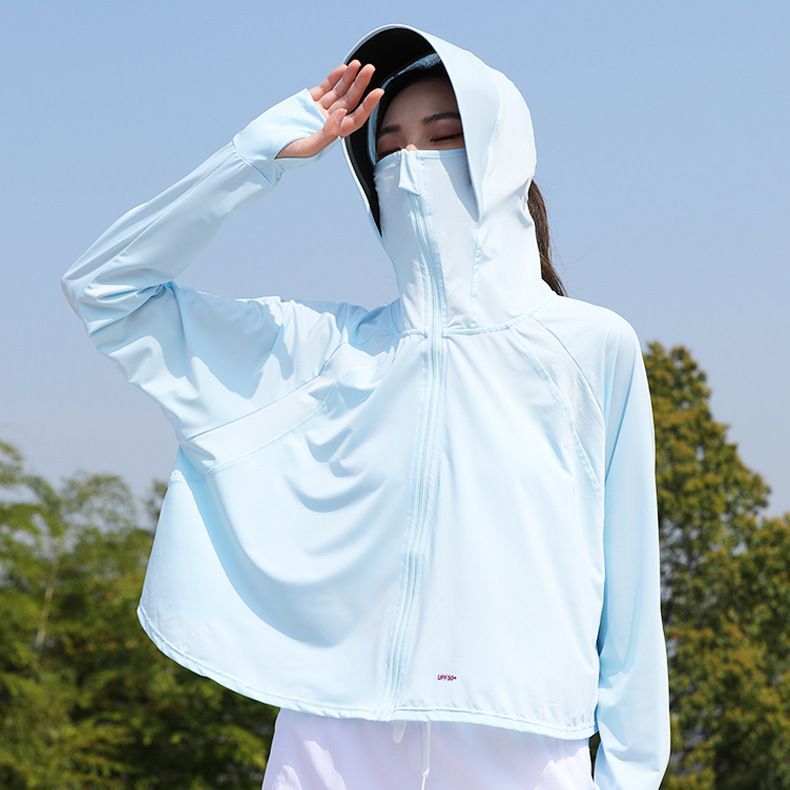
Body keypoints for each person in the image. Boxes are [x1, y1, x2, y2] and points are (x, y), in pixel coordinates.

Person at [60, 22, 671, 790]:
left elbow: (631, 603)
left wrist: (628, 777)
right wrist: (258, 156)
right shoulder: (323, 351)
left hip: (520, 745)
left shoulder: (590, 351)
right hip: (329, 742)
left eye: (444, 138)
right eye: (390, 148)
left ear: (503, 160)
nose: (413, 165)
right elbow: (107, 291)